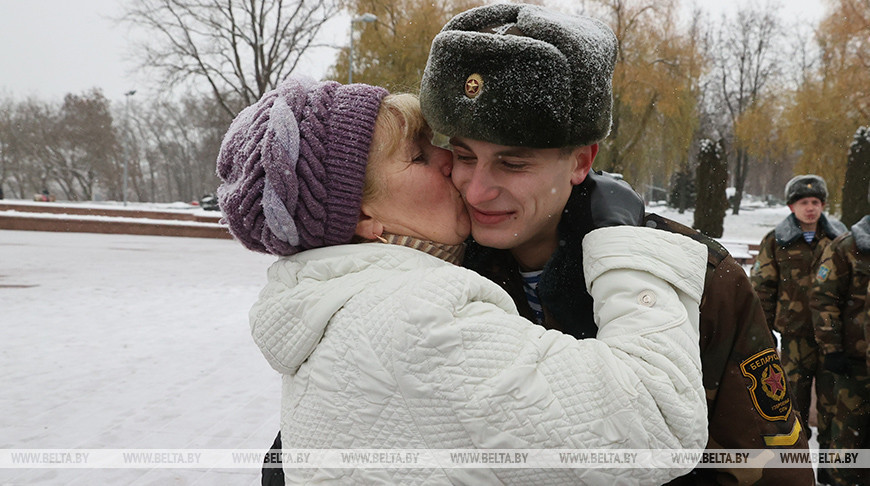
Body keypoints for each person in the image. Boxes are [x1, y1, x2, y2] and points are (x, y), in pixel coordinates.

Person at [217, 77, 709, 484]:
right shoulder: (416, 314)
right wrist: (623, 245)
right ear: (362, 216)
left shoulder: (333, 304)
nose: (450, 163)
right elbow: (658, 420)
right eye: (418, 155)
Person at [418, 4, 813, 485]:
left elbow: (768, 463)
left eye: (512, 164)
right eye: (463, 156)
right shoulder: (434, 269)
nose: (477, 190)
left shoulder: (694, 276)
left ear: (580, 162)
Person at [750, 174, 846, 471]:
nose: (810, 208)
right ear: (791, 207)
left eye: (815, 202)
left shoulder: (839, 241)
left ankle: (833, 473)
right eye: (803, 202)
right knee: (792, 408)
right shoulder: (777, 240)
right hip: (794, 340)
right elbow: (763, 290)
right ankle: (794, 472)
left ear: (823, 205)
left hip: (834, 341)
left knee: (834, 410)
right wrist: (764, 337)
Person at [811, 186, 870, 486]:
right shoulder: (848, 246)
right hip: (856, 365)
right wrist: (832, 349)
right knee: (849, 436)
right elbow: (824, 299)